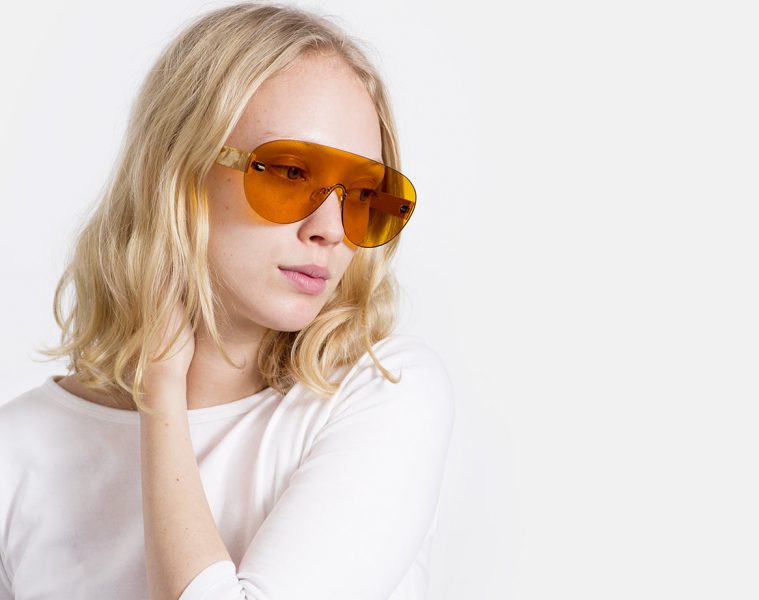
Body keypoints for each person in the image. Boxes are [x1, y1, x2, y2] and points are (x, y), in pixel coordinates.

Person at [0, 3, 455, 598]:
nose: (330, 229)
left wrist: (163, 393)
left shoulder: (382, 392)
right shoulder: (18, 449)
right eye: (290, 173)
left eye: (364, 195)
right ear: (177, 171)